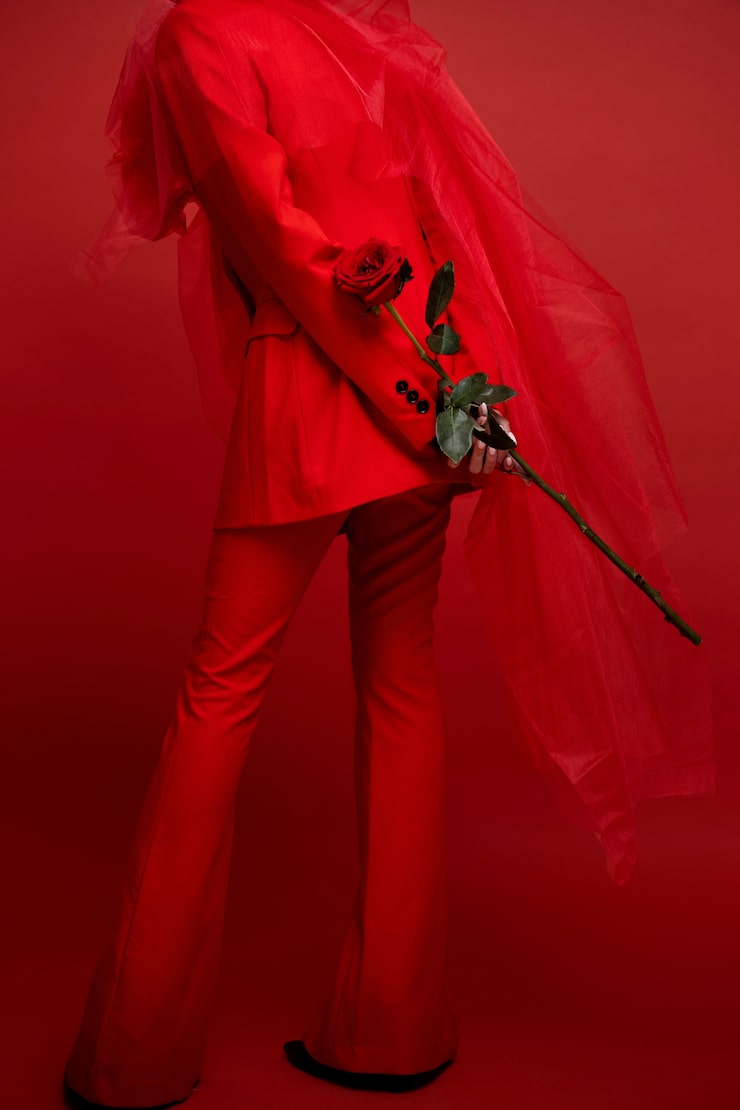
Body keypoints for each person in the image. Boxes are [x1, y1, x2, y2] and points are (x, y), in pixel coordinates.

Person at [63, 1, 714, 1106]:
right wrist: (452, 402)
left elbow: (276, 233)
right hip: (431, 399)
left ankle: (134, 1058)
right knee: (400, 687)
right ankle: (393, 1033)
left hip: (324, 407)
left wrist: (426, 401)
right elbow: (433, 223)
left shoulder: (200, 33)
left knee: (221, 695)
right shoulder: (348, 30)